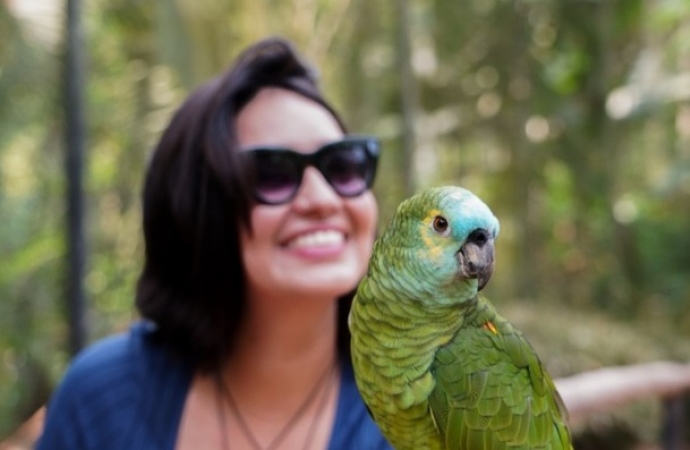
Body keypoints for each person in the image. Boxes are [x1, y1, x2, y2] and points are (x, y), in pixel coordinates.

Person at [37, 37, 392, 450]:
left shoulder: (425, 411)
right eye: (272, 174)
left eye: (343, 166)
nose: (323, 199)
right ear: (197, 209)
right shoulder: (101, 400)